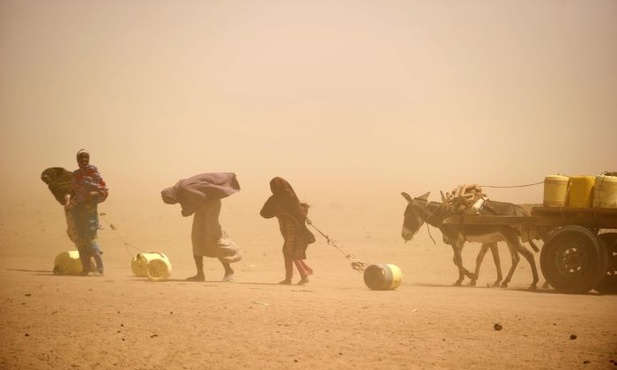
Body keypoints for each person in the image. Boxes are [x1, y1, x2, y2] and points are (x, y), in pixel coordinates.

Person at [161, 172, 242, 282]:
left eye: (174, 201)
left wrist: (187, 211)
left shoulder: (184, 188)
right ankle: (200, 274)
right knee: (197, 238)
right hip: (201, 207)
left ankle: (228, 271)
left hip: (211, 205)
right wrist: (188, 207)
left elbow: (199, 196)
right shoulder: (180, 187)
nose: (177, 202)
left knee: (212, 238)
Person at [260, 177, 315, 285]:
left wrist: (278, 213)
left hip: (291, 229)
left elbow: (264, 213)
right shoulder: (290, 196)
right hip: (292, 229)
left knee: (289, 251)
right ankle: (291, 278)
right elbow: (299, 212)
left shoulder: (275, 198)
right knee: (288, 251)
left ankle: (303, 275)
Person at [70, 149, 108, 276]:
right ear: (77, 160)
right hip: (78, 211)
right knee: (81, 240)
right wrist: (72, 204)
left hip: (90, 212)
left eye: (86, 157)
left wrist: (93, 193)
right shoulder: (75, 175)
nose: (83, 160)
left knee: (90, 239)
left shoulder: (94, 174)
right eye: (81, 158)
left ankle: (100, 269)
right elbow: (73, 193)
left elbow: (104, 191)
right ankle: (86, 268)